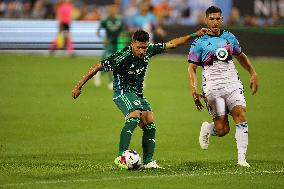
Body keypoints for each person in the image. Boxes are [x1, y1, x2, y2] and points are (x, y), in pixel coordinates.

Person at [72, 28, 208, 169]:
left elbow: (172, 44)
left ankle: (148, 161)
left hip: (137, 94)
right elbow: (97, 66)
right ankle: (120, 157)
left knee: (149, 121)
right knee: (135, 114)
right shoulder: (122, 56)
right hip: (122, 92)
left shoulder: (149, 50)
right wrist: (78, 86)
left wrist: (194, 35)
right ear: (132, 44)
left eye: (145, 47)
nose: (142, 51)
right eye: (139, 47)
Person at [187, 6, 258, 167]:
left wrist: (252, 73)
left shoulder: (229, 37)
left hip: (233, 83)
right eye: (211, 19)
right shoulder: (199, 42)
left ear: (222, 19)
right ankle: (207, 128)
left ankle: (242, 159)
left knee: (240, 114)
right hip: (213, 88)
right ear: (206, 20)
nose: (215, 22)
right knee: (222, 129)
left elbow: (240, 56)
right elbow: (192, 68)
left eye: (218, 19)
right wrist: (193, 90)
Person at [93, 4, 124, 90]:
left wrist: (122, 37)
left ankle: (99, 73)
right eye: (110, 10)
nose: (112, 11)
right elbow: (98, 32)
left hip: (117, 44)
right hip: (109, 44)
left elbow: (123, 30)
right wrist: (103, 39)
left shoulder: (119, 20)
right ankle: (111, 82)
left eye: (113, 10)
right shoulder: (105, 20)